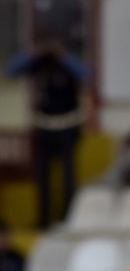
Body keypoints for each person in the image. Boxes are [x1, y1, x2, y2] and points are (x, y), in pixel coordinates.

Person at [7, 40, 87, 229]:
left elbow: (86, 74)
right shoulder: (38, 65)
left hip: (67, 127)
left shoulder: (65, 65)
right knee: (43, 178)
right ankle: (44, 221)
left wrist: (63, 56)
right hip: (44, 127)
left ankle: (68, 219)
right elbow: (11, 71)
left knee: (68, 178)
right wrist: (32, 54)